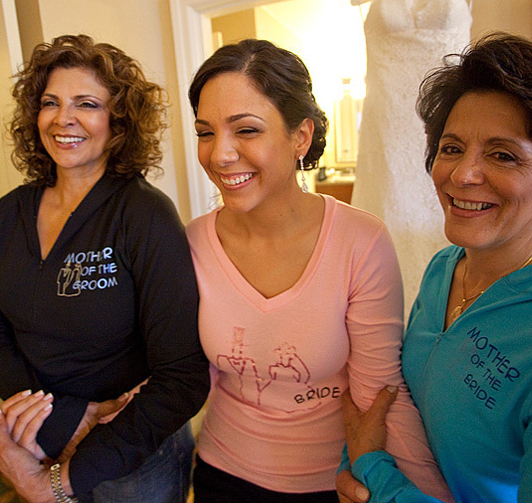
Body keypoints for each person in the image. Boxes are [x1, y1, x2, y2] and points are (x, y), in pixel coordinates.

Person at [336, 33, 532, 502]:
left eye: (502, 155)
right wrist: (357, 465)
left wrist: (373, 474)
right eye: (452, 148)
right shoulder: (444, 270)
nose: (462, 174)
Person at [184, 39, 451, 502]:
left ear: (300, 137)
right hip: (220, 472)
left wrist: (429, 495)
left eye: (246, 130)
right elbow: (184, 374)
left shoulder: (360, 241)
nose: (219, 154)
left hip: (331, 483)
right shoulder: (191, 243)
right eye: (206, 133)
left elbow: (381, 395)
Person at [0, 34, 210, 503]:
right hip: (39, 438)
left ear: (118, 122)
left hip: (129, 455)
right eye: (50, 103)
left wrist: (83, 448)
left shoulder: (144, 214)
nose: (64, 118)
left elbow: (183, 374)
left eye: (87, 104)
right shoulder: (12, 210)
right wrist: (57, 419)